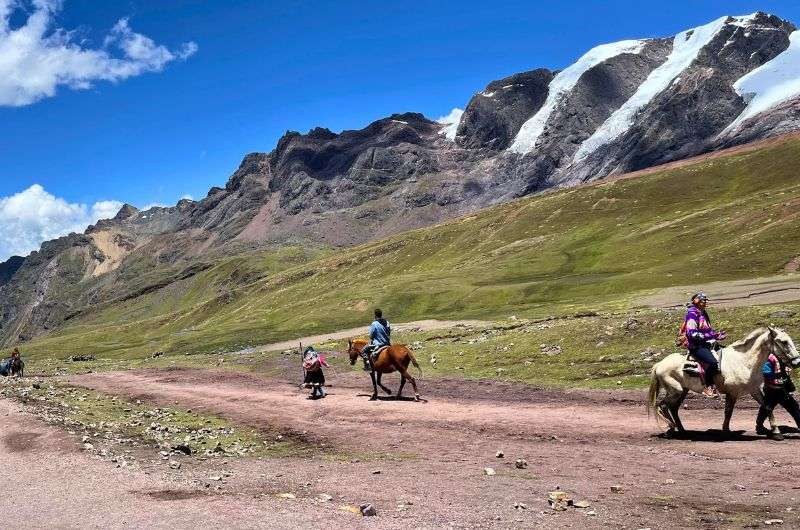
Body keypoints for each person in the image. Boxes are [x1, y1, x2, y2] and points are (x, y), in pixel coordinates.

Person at [684, 292, 726, 397]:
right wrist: (708, 337)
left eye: (706, 300)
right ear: (696, 301)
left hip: (706, 343)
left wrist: (716, 336)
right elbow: (691, 333)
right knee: (712, 363)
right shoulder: (692, 314)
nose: (705, 302)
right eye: (703, 300)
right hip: (697, 346)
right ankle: (707, 387)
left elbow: (707, 331)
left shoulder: (703, 313)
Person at [756, 352, 800, 440]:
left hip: (780, 388)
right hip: (772, 389)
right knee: (792, 407)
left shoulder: (782, 356)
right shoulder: (769, 358)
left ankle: (759, 425)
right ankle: (760, 426)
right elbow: (765, 373)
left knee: (768, 407)